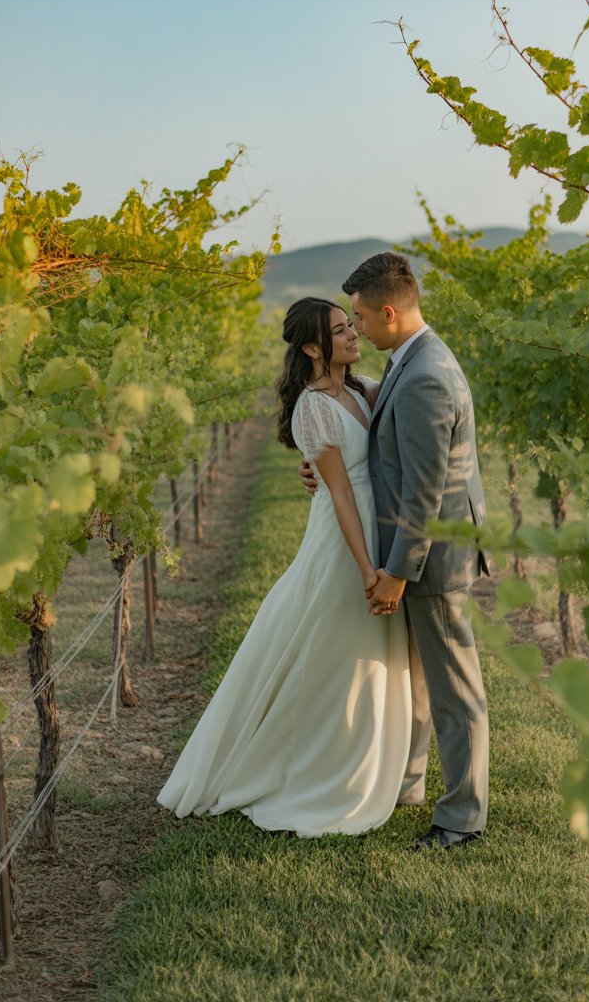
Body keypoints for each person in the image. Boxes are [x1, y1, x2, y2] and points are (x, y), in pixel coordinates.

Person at [157, 297, 411, 837]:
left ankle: (365, 755)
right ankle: (315, 766)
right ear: (313, 347)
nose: (352, 336)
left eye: (351, 327)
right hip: (345, 539)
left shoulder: (364, 390)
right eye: (340, 331)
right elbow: (340, 491)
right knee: (336, 646)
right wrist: (366, 566)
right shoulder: (313, 406)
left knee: (361, 652)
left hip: (376, 525)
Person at [300, 253, 490, 850]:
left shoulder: (426, 373)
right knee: (420, 681)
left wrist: (399, 574)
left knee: (455, 691)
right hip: (423, 550)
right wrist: (328, 467)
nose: (354, 329)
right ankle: (409, 786)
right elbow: (372, 427)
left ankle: (461, 818)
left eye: (358, 317)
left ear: (388, 311)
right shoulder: (410, 361)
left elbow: (424, 491)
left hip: (432, 556)